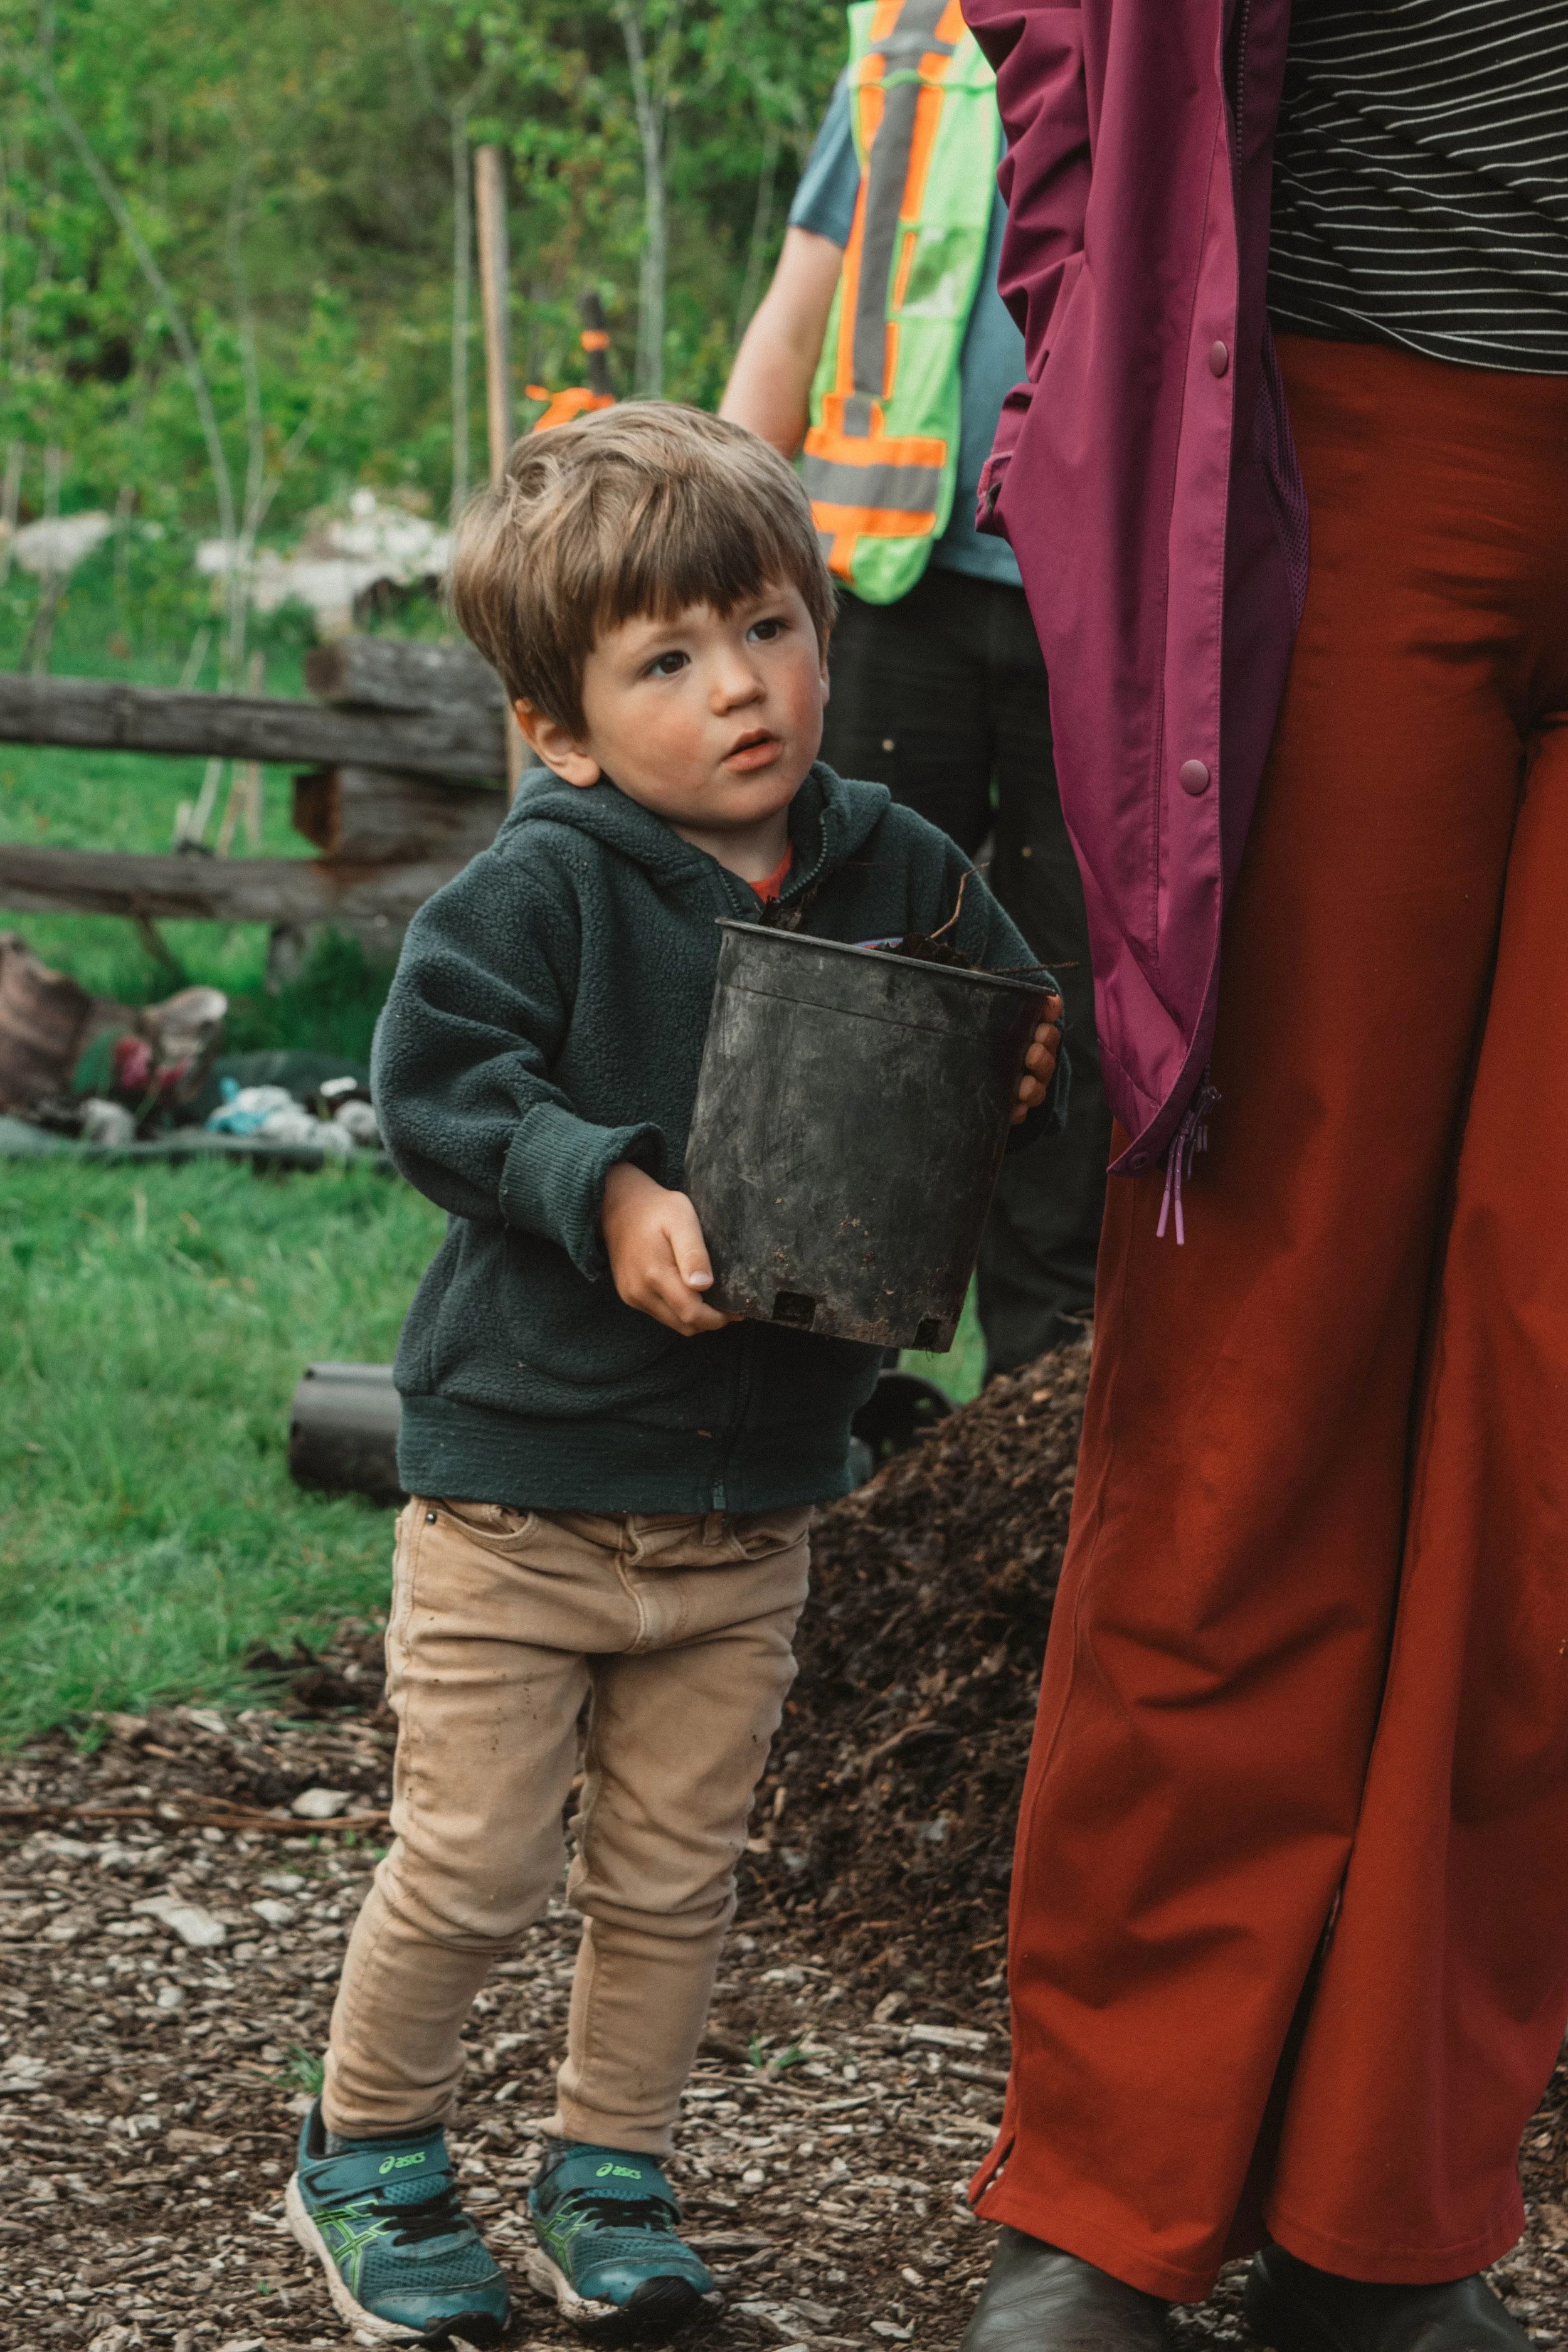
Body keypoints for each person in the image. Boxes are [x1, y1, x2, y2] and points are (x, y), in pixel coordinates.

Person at [282, 402, 1063, 2348]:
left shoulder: (894, 859)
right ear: (557, 726)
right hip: (524, 1484)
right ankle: (365, 2145)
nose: (743, 687)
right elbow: (438, 1087)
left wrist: (1015, 1063)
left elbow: (1011, 1008)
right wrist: (605, 1184)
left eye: (771, 626)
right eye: (668, 659)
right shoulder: (546, 885)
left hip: (753, 1490)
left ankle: (605, 2166)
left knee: (671, 1875)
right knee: (469, 1860)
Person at [948, 3, 1568, 2350]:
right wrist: (1087, 293)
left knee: (1553, 1410)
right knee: (1264, 1348)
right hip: (1353, 439)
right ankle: (1111, 2191)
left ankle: (1389, 2218)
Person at [721, 0, 1110, 1377]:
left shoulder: (1199, 41)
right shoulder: (906, 39)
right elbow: (799, 305)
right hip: (893, 592)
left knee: (1082, 996)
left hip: (1108, 615)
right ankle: (823, 1377)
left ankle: (1044, 1388)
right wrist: (702, 551)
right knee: (848, 978)